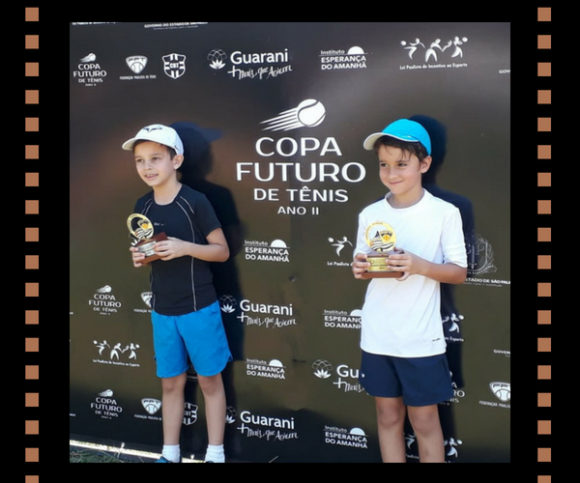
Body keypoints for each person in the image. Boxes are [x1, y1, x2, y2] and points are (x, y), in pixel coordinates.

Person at [351, 118, 467, 463]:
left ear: (424, 163)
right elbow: (364, 263)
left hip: (420, 339)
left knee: (425, 421)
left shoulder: (445, 213)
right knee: (387, 417)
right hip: (378, 336)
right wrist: (360, 268)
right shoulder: (370, 213)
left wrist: (418, 265)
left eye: (401, 164)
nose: (391, 173)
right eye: (384, 164)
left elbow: (458, 272)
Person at [123, 123, 232, 463]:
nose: (147, 167)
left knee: (210, 382)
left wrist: (184, 247)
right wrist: (140, 257)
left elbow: (221, 251)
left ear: (177, 160)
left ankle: (215, 454)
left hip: (199, 308)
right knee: (170, 384)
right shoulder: (142, 205)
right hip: (162, 311)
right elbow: (145, 252)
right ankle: (169, 454)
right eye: (140, 160)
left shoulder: (195, 201)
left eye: (155, 158)